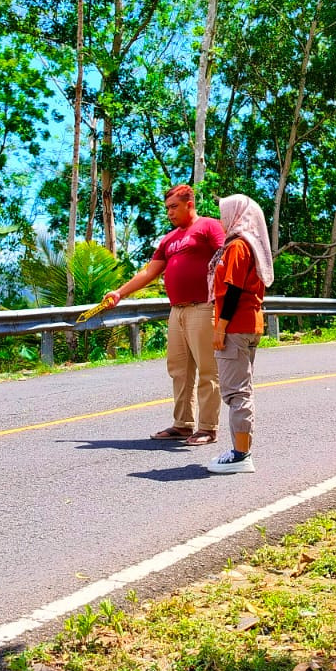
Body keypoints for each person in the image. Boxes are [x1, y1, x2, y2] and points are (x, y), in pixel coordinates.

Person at [102, 184, 225, 445]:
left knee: (207, 370)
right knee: (179, 370)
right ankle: (183, 424)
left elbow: (224, 256)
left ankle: (207, 428)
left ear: (189, 204)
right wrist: (120, 293)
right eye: (167, 208)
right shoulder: (169, 239)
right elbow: (149, 272)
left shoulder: (208, 227)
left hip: (203, 307)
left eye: (174, 207)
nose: (169, 213)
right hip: (177, 311)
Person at [206, 194, 274, 474]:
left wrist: (220, 328)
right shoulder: (250, 245)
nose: (222, 219)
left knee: (237, 393)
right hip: (248, 324)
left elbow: (232, 290)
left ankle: (241, 455)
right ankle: (240, 450)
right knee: (241, 390)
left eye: (225, 213)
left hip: (235, 325)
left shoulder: (237, 246)